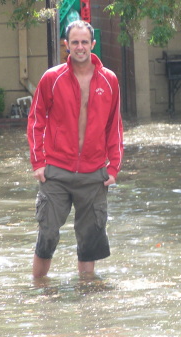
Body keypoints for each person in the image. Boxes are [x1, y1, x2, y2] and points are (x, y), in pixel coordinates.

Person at [27, 20, 123, 279]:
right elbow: (36, 120)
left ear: (93, 44)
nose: (80, 47)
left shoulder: (109, 80)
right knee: (47, 234)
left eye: (84, 42)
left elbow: (114, 127)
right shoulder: (52, 78)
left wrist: (113, 167)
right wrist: (38, 162)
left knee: (90, 243)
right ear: (66, 45)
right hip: (56, 171)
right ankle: (38, 293)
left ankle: (88, 300)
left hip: (94, 173)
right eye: (74, 42)